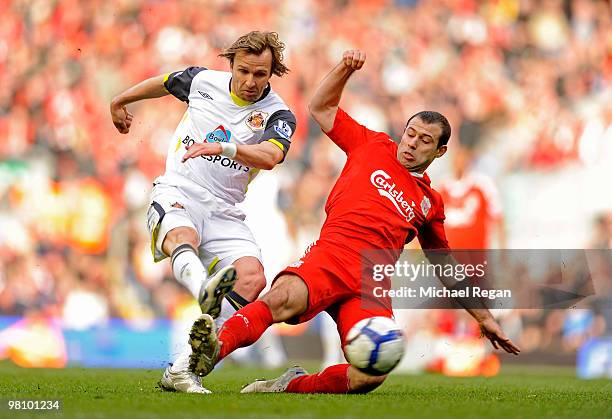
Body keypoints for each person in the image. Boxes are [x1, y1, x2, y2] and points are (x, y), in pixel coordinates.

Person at [186, 49, 520, 394]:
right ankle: (213, 350)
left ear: (439, 152)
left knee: (370, 376)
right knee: (280, 299)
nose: (412, 144)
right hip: (330, 257)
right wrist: (344, 69)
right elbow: (321, 108)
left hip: (369, 284)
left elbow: (445, 265)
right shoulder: (372, 144)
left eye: (425, 140)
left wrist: (484, 317)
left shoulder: (429, 204)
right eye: (411, 133)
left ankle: (287, 386)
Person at [109, 31, 297, 393]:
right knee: (183, 237)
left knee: (252, 278)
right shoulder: (202, 81)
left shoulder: (278, 113)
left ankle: (182, 369)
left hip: (226, 209)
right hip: (179, 189)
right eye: (244, 71)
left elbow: (272, 156)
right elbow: (164, 82)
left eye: (260, 75)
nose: (250, 81)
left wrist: (223, 145)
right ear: (231, 64)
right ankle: (203, 288)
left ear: (272, 74)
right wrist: (120, 100)